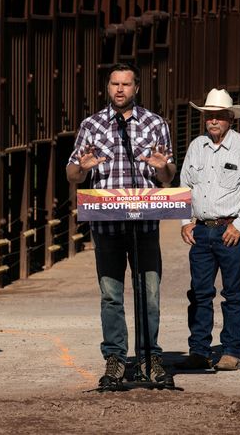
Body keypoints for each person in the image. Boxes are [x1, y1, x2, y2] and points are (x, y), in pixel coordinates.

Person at [66, 63, 176, 386]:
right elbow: (71, 173)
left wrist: (162, 168)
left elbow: (168, 177)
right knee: (111, 295)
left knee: (150, 292)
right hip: (106, 228)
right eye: (114, 83)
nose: (119, 89)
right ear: (108, 87)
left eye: (125, 84)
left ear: (136, 88)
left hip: (144, 227)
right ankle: (115, 357)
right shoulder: (92, 125)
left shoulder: (155, 125)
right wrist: (82, 170)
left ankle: (149, 357)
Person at [177, 88, 240, 371]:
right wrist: (185, 221)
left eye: (218, 117)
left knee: (234, 294)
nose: (213, 122)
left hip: (231, 231)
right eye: (208, 117)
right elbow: (185, 185)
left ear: (230, 118)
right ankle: (199, 349)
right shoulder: (196, 147)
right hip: (202, 231)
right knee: (200, 292)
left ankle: (231, 351)